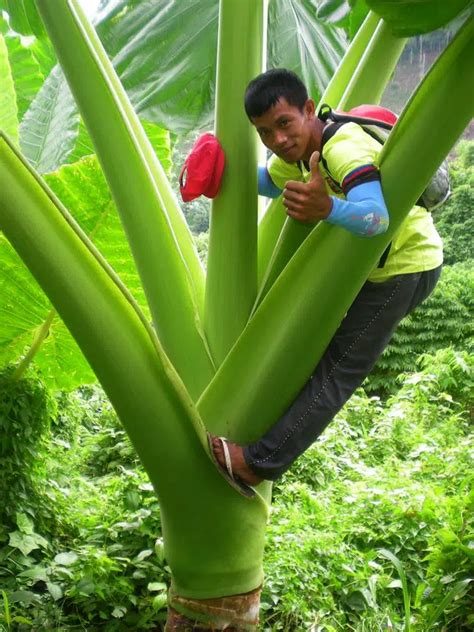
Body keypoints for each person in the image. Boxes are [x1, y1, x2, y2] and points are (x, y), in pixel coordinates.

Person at [211, 68, 443, 493]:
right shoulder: (296, 157)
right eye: (264, 133)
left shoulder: (342, 146)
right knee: (317, 350)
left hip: (406, 266)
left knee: (338, 368)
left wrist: (327, 210)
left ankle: (257, 464)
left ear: (306, 109)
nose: (278, 140)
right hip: (371, 268)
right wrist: (218, 170)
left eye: (284, 123)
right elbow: (268, 181)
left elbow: (376, 218)